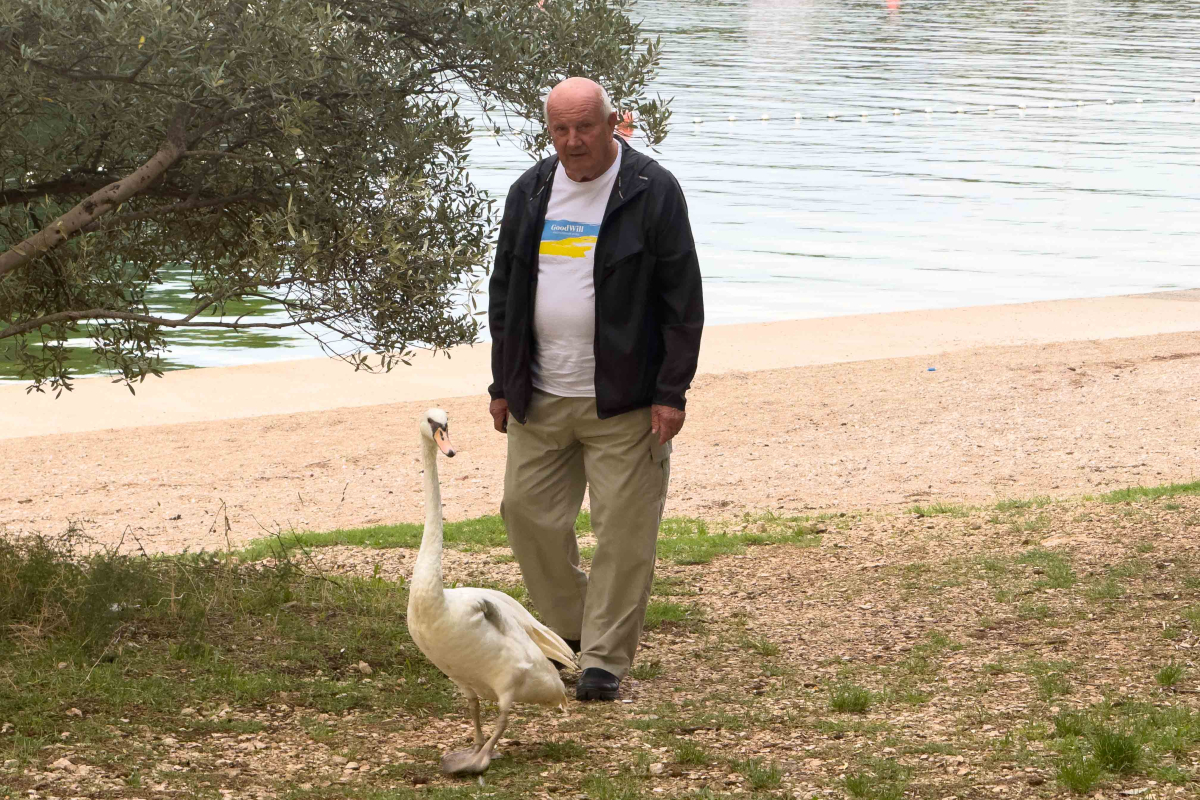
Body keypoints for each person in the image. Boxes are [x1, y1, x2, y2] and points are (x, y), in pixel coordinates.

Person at [487, 77, 704, 701]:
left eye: (585, 126)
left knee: (624, 532)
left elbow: (682, 298)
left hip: (625, 399)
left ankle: (604, 661)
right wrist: (502, 382)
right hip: (540, 394)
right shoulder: (530, 190)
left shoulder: (651, 189)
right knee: (525, 514)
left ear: (614, 123)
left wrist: (671, 392)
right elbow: (505, 291)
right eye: (560, 128)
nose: (573, 140)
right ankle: (574, 630)